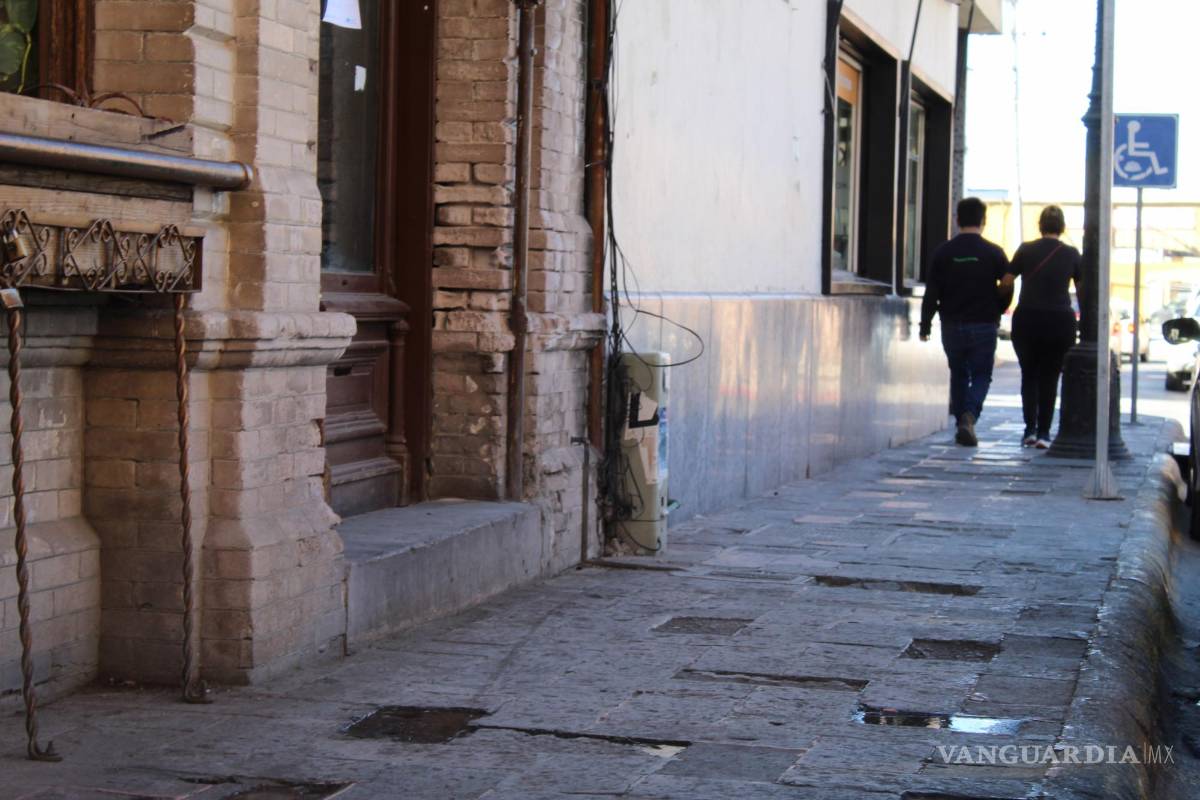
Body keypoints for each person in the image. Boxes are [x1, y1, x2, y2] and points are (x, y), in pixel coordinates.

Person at [919, 197, 1010, 447]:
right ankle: (969, 416)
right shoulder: (994, 253)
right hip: (984, 323)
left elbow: (932, 292)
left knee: (958, 374)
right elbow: (1008, 283)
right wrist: (998, 308)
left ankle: (962, 422)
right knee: (982, 374)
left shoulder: (943, 252)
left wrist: (925, 324)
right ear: (983, 221)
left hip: (951, 324)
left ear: (957, 220)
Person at [1001, 205, 1081, 449]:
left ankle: (1030, 430)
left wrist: (1000, 303)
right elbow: (1082, 290)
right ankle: (1045, 434)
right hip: (1059, 321)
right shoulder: (1071, 254)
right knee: (1050, 377)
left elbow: (1006, 281)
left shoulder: (1026, 250)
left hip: (1028, 319)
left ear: (1040, 226)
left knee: (1030, 375)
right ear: (1062, 227)